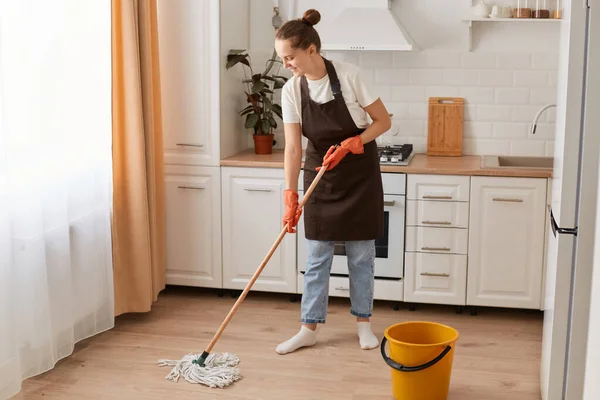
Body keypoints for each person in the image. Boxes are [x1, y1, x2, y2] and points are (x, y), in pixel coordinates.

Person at [273, 9, 392, 355]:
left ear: (311, 49)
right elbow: (294, 147)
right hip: (319, 176)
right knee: (317, 258)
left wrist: (357, 141)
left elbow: (383, 121)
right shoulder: (292, 90)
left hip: (359, 175)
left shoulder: (351, 76)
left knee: (360, 257)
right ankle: (308, 327)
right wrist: (290, 193)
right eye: (282, 58)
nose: (286, 65)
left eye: (289, 57)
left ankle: (364, 325)